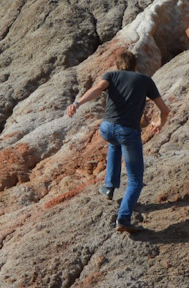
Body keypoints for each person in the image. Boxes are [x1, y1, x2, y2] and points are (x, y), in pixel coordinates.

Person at [66, 49, 169, 234]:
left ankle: (109, 187)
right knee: (136, 180)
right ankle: (123, 218)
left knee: (114, 143)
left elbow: (97, 89)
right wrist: (159, 123)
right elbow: (164, 109)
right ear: (134, 65)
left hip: (106, 129)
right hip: (128, 132)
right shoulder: (145, 80)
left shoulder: (111, 75)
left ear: (118, 65)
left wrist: (77, 103)